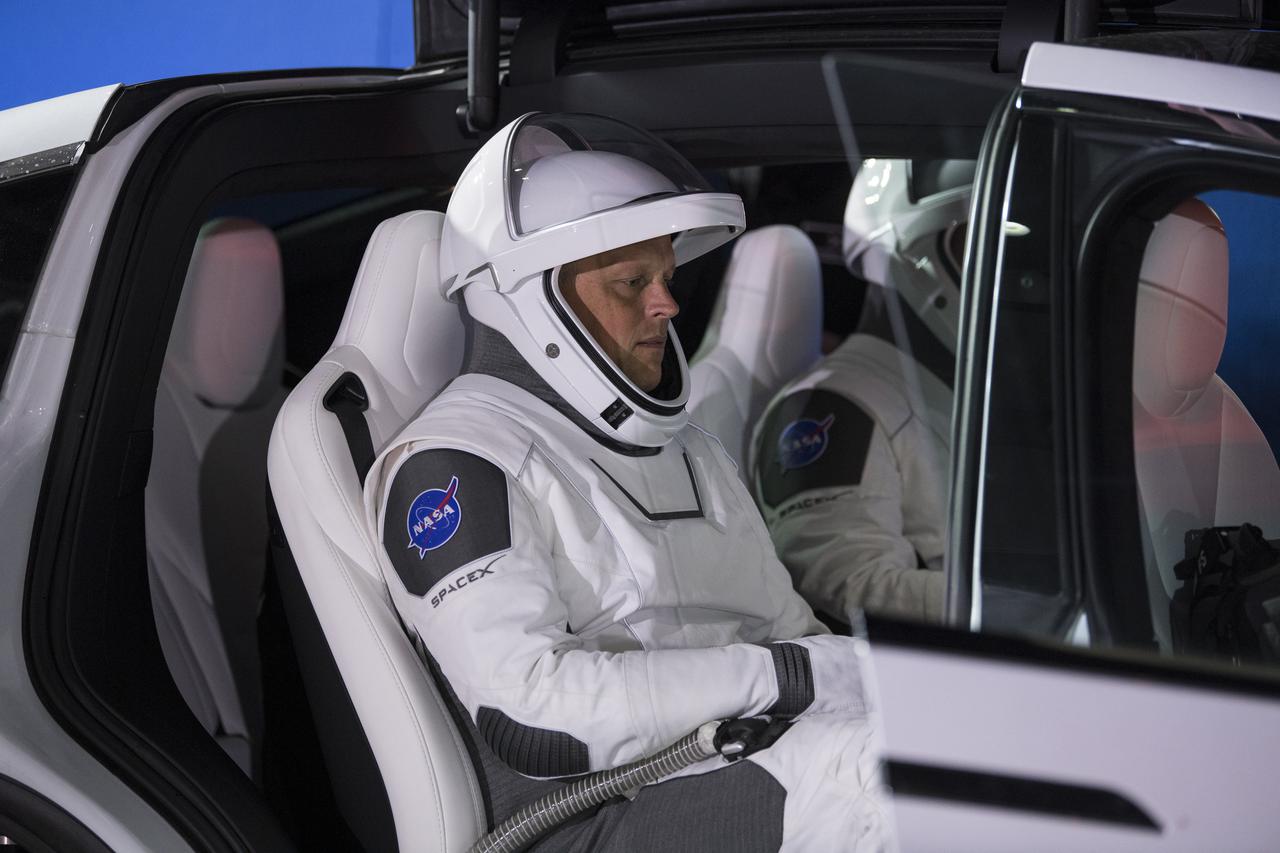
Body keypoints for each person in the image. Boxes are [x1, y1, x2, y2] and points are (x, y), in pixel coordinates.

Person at [362, 113, 887, 851]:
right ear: (531, 298)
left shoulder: (695, 450)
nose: (667, 304)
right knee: (890, 780)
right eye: (632, 282)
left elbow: (791, 636)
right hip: (591, 819)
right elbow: (532, 712)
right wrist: (786, 678)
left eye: (666, 277)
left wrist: (853, 677)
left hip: (738, 765)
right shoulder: (451, 466)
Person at [751, 159, 972, 626]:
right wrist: (1021, 608)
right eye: (973, 244)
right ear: (916, 257)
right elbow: (848, 583)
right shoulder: (834, 404)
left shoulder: (958, 394)